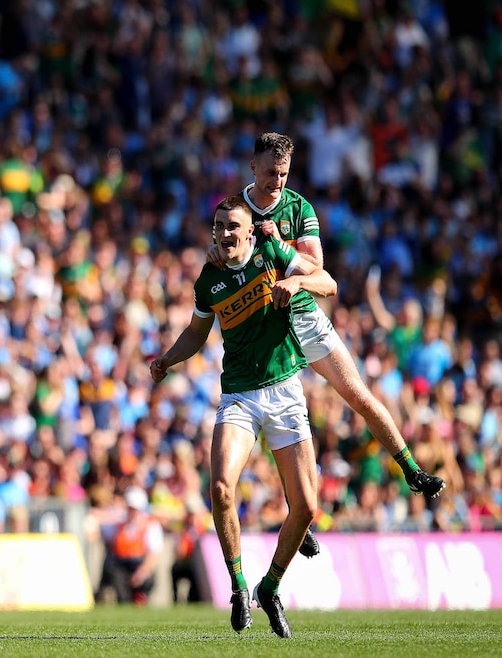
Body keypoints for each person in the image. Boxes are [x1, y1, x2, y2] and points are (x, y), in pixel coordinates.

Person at [208, 132, 446, 554]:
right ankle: (299, 510)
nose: (276, 182)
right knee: (273, 421)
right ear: (252, 168)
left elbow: (319, 271)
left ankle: (411, 469)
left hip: (302, 316)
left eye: (282, 174)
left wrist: (291, 270)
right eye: (269, 174)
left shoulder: (299, 208)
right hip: (262, 329)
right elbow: (220, 256)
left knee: (357, 394)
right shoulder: (236, 211)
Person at [151, 195, 338, 637]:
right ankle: (238, 587)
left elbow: (329, 283)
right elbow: (197, 333)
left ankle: (269, 587)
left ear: (251, 231)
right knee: (220, 487)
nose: (225, 233)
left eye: (234, 226)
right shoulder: (209, 278)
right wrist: (167, 360)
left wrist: (297, 284)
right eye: (219, 226)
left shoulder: (274, 253)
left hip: (286, 389)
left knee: (307, 507)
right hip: (239, 395)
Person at [97, 486, 164, 606]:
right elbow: (103, 533)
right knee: (117, 578)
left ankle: (140, 598)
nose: (132, 512)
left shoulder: (151, 525)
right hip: (121, 565)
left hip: (139, 563)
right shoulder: (119, 523)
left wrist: (142, 571)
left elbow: (154, 553)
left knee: (147, 580)